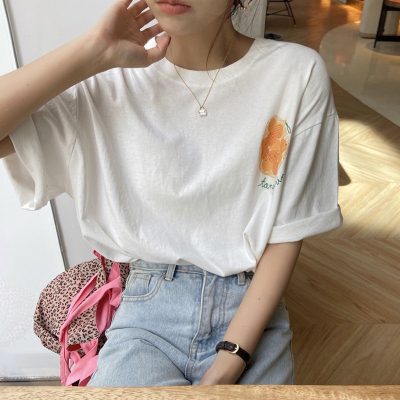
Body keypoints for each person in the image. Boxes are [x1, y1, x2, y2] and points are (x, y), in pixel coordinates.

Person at [0, 0, 343, 387]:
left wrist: (233, 357)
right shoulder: (107, 81)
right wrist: (91, 50)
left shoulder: (295, 73)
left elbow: (286, 232)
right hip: (146, 317)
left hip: (253, 314)